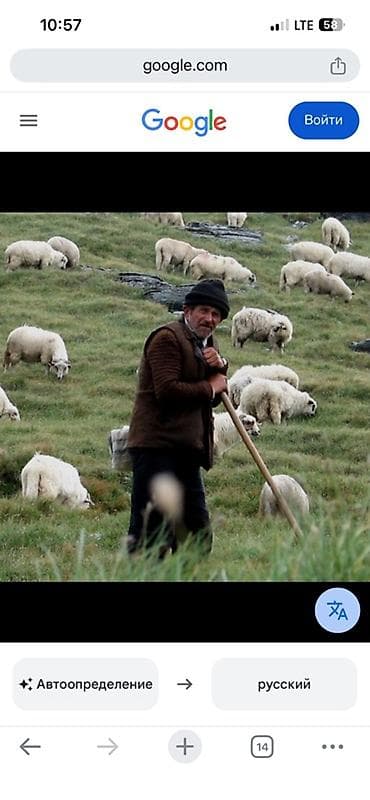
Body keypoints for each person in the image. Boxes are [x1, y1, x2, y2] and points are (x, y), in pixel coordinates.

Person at [126, 278, 230, 557]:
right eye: (204, 311)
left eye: (216, 314)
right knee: (152, 536)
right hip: (157, 448)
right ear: (187, 310)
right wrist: (211, 385)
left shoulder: (207, 344)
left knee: (197, 536)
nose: (210, 318)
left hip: (186, 451)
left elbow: (214, 398)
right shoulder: (167, 339)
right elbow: (167, 391)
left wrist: (220, 368)